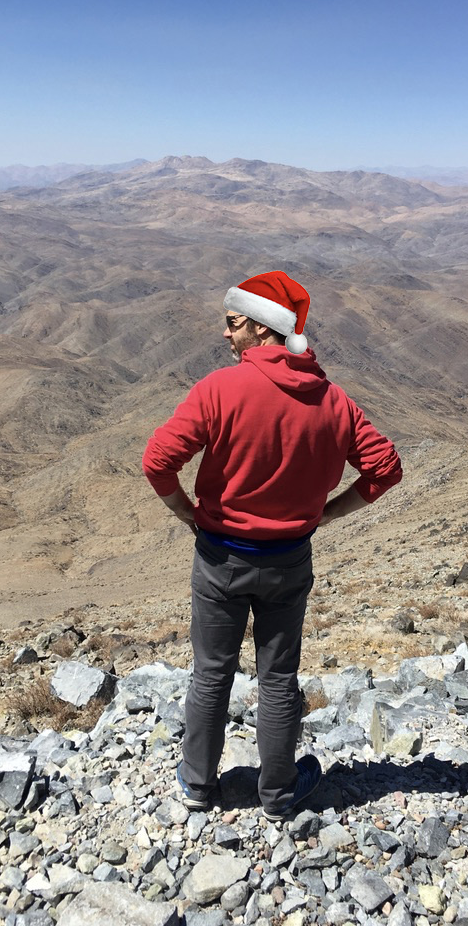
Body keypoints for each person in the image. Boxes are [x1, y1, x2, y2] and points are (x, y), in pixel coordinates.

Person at [142, 270, 402, 820]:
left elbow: (157, 461)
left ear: (264, 329)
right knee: (278, 677)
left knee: (211, 673)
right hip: (289, 559)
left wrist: (188, 512)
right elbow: (385, 469)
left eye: (233, 323)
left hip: (219, 557)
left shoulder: (220, 389)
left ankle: (196, 786)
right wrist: (325, 515)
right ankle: (279, 795)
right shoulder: (334, 401)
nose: (225, 334)